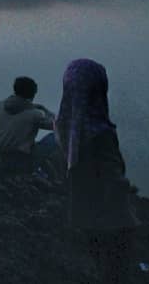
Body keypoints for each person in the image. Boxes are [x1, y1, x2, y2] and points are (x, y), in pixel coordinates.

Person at [56, 59, 136, 283]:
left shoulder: (65, 127)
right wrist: (125, 187)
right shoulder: (99, 131)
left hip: (83, 218)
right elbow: (112, 178)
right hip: (113, 224)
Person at [0, 76, 56, 174]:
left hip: (1, 157)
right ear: (32, 95)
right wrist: (45, 110)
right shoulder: (35, 114)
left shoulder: (0, 106)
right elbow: (59, 125)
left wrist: (5, 139)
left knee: (35, 144)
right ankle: (55, 175)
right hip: (23, 162)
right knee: (55, 136)